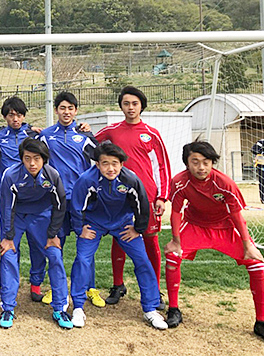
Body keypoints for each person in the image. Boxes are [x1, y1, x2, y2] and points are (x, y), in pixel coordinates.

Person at [164, 141, 264, 338]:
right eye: (195, 162)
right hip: (194, 225)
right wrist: (175, 240)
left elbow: (236, 216)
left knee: (257, 265)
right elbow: (176, 211)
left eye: (206, 162)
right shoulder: (179, 181)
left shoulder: (225, 183)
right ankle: (174, 309)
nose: (201, 167)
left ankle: (261, 321)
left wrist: (248, 245)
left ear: (212, 163)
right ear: (187, 163)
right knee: (173, 256)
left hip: (225, 227)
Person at [69, 143, 167, 330]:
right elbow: (76, 206)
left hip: (122, 224)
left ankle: (150, 309)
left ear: (121, 164)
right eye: (105, 163)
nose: (110, 168)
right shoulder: (87, 180)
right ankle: (78, 308)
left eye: (115, 163)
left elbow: (142, 205)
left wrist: (137, 229)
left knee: (142, 260)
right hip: (94, 224)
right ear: (97, 164)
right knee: (82, 260)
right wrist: (79, 228)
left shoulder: (130, 179)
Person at [95, 86, 171, 307]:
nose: (130, 107)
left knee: (150, 239)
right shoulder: (111, 131)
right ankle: (118, 285)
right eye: (126, 103)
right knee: (120, 236)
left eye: (135, 103)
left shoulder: (152, 134)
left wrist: (162, 196)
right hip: (118, 195)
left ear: (141, 106)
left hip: (147, 195)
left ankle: (155, 290)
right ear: (121, 106)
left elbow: (162, 166)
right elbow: (89, 144)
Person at [38, 91, 104, 308]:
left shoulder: (84, 136)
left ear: (76, 111)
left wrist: (91, 134)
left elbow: (102, 158)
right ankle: (55, 287)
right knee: (55, 243)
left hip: (82, 201)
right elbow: (32, 154)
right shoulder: (46, 136)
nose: (66, 112)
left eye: (70, 108)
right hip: (56, 200)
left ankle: (90, 288)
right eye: (62, 108)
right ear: (56, 110)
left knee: (86, 244)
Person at [0, 138, 72, 330]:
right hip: (17, 216)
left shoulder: (52, 174)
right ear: (21, 159)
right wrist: (8, 236)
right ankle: (7, 308)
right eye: (27, 158)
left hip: (41, 215)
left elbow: (59, 205)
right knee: (8, 255)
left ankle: (60, 308)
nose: (32, 163)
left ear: (44, 159)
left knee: (54, 255)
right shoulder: (11, 175)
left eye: (37, 158)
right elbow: (7, 207)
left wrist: (53, 233)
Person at [0, 96, 45, 303]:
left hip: (33, 200)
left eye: (19, 115)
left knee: (37, 244)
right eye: (11, 115)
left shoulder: (35, 136)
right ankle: (9, 286)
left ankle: (36, 284)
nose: (16, 119)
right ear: (5, 117)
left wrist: (84, 129)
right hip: (7, 201)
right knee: (9, 244)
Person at [251, 138, 264, 204]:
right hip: (262, 164)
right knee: (262, 182)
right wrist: (261, 152)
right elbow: (253, 150)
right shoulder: (261, 142)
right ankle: (263, 198)